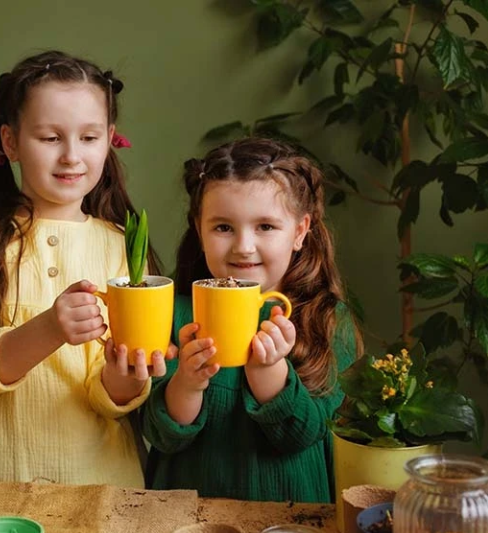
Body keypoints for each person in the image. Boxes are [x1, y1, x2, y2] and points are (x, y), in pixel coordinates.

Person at [0, 50, 167, 490]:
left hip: (97, 485)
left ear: (109, 139)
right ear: (10, 142)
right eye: (50, 138)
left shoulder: (120, 245)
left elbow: (108, 400)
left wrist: (124, 379)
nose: (71, 156)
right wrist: (50, 327)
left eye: (88, 138)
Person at [142, 137, 363, 502]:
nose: (244, 246)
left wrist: (269, 373)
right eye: (223, 227)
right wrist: (187, 384)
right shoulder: (172, 313)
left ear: (300, 231)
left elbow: (302, 436)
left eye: (265, 227)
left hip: (289, 516)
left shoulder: (326, 319)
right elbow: (160, 435)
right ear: (199, 229)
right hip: (185, 518)